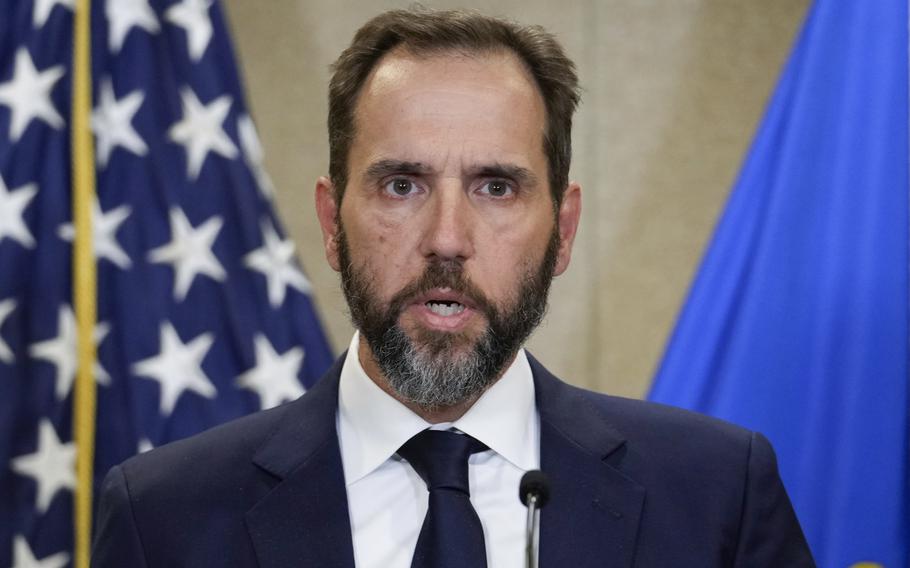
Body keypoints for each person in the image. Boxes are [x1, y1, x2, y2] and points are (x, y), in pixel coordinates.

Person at [92, 7, 815, 567]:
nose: (446, 237)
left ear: (562, 230)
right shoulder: (168, 517)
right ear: (331, 221)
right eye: (401, 185)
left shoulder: (718, 494)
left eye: (496, 187)